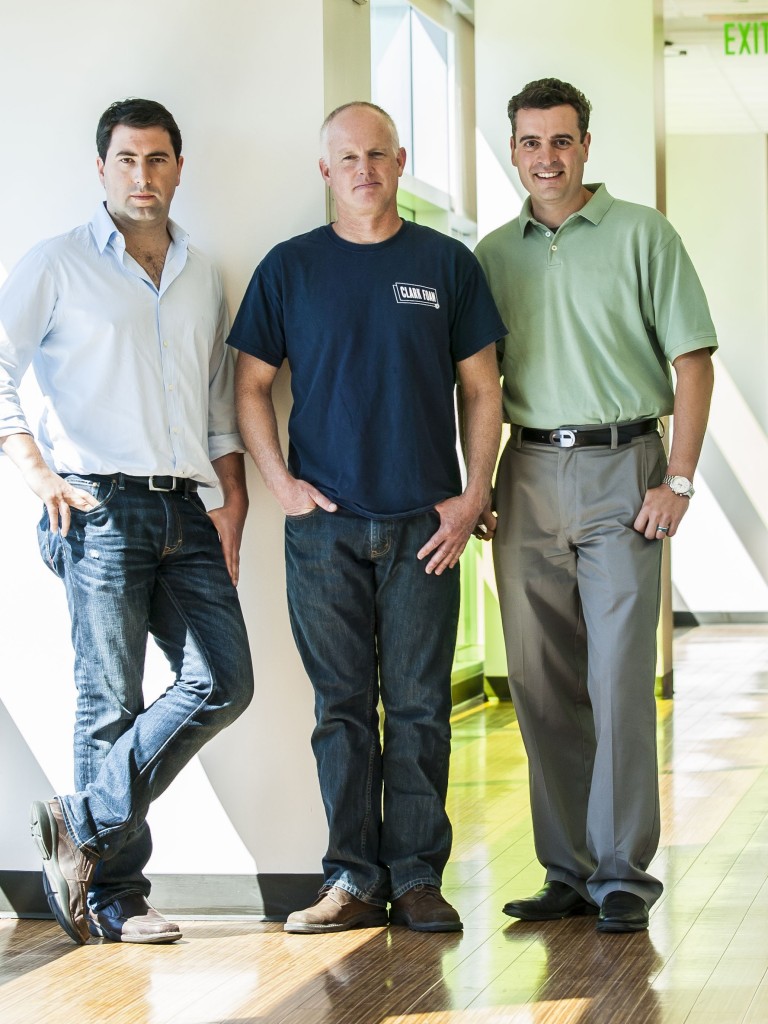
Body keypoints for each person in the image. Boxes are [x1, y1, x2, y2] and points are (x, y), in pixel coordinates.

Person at [229, 101, 505, 934]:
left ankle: (417, 877)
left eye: (378, 155)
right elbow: (248, 388)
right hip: (324, 530)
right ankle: (351, 878)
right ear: (325, 171)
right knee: (341, 710)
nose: (363, 169)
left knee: (420, 708)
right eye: (346, 157)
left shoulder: (445, 264)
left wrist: (474, 490)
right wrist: (280, 482)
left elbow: (483, 387)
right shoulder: (290, 268)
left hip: (426, 524)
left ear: (399, 160)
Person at [0, 98, 254, 945]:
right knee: (109, 700)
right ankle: (115, 898)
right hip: (97, 505)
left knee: (223, 681)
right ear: (100, 168)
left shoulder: (201, 271)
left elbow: (218, 402)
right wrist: (37, 472)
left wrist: (233, 499)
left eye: (157, 159)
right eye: (125, 160)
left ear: (180, 167)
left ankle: (78, 822)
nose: (142, 177)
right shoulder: (59, 263)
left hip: (186, 505)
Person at [475, 78, 716, 934]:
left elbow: (692, 362)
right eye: (532, 142)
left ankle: (622, 873)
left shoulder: (644, 234)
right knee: (539, 686)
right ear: (512, 150)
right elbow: (475, 386)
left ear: (586, 145)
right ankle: (567, 870)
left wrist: (677, 477)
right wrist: (477, 486)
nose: (547, 157)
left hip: (626, 467)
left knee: (616, 678)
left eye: (563, 140)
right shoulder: (490, 255)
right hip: (528, 472)